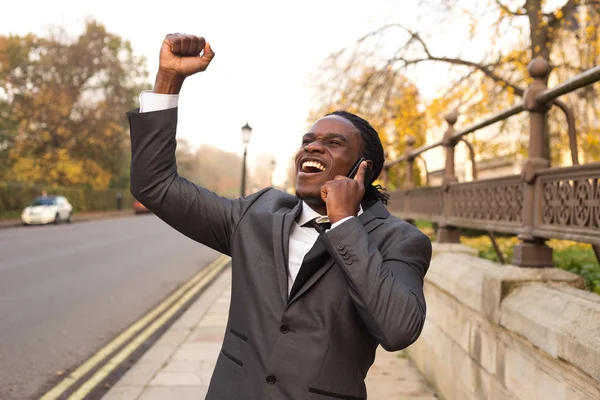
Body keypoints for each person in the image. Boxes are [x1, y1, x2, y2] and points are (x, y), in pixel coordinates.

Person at [128, 33, 432, 400]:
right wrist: (168, 81)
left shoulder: (399, 241)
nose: (313, 146)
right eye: (308, 140)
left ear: (362, 170)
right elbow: (154, 185)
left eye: (333, 143)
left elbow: (399, 329)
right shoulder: (255, 215)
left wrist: (346, 224)